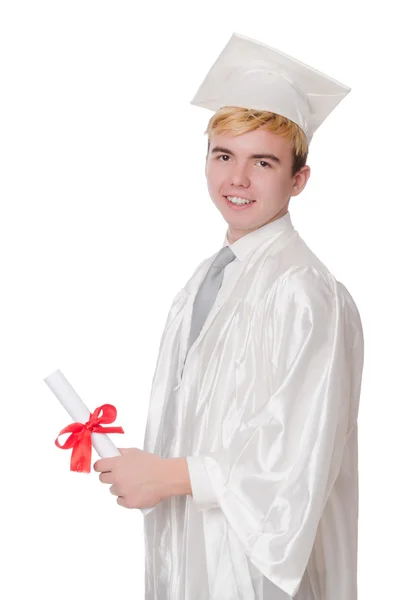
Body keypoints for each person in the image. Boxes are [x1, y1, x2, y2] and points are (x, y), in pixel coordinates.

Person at [94, 32, 364, 599]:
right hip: (193, 554)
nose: (236, 180)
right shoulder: (206, 280)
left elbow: (296, 455)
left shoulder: (304, 290)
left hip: (252, 576)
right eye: (224, 156)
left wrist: (164, 476)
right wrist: (144, 469)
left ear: (299, 180)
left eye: (262, 162)